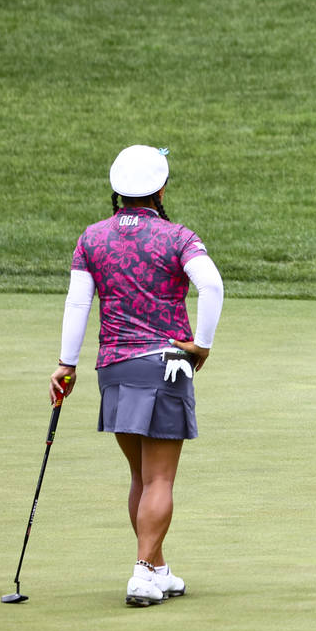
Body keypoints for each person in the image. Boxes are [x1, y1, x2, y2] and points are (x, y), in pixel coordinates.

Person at [50, 145, 224, 607]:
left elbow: (77, 304)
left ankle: (158, 566)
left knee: (141, 477)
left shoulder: (92, 238)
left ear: (117, 191)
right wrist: (202, 343)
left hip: (114, 367)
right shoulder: (178, 237)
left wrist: (67, 363)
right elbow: (211, 285)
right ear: (160, 188)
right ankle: (143, 572)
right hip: (166, 363)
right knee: (160, 480)